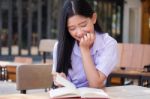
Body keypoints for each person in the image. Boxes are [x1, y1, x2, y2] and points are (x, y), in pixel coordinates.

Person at [52, 0, 118, 88]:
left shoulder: (108, 44)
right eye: (72, 28)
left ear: (93, 18)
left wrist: (84, 49)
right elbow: (58, 80)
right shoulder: (60, 46)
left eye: (83, 25)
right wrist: (61, 81)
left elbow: (96, 84)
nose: (79, 33)